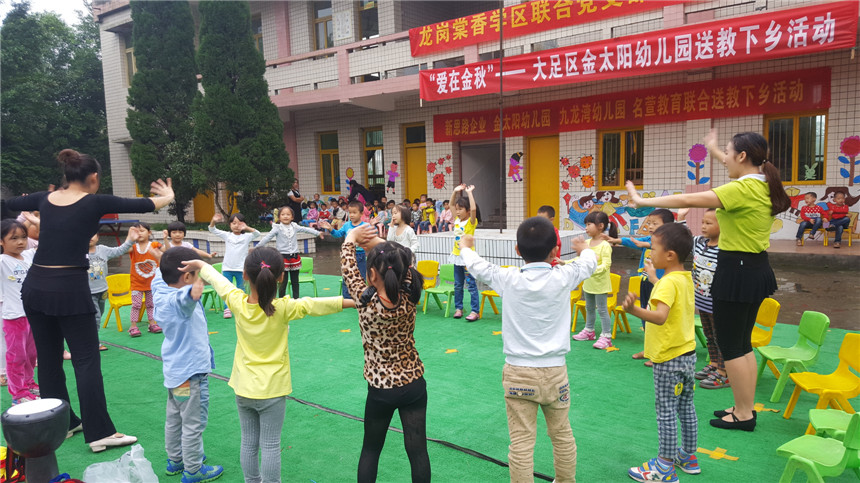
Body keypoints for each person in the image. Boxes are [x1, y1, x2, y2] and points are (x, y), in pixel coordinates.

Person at [0, 148, 174, 452]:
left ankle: (62, 424)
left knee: (49, 359)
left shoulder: (45, 199)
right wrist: (168, 195)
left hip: (36, 287)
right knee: (86, 360)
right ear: (93, 178)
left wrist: (29, 210)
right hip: (69, 287)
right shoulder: (94, 202)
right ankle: (99, 432)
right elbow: (147, 204)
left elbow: (9, 203)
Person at [626, 129, 791, 431]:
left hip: (736, 271)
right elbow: (734, 163)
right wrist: (714, 149)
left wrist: (640, 200)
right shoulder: (763, 182)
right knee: (741, 344)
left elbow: (689, 197)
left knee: (732, 347)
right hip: (754, 268)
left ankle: (744, 414)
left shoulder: (742, 188)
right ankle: (743, 407)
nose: (724, 160)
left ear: (743, 156)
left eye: (728, 154)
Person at [182, 247, 352, 483]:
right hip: (272, 390)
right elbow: (313, 304)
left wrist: (200, 264)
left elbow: (219, 280)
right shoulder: (283, 308)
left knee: (248, 442)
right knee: (270, 445)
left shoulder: (237, 302)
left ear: (244, 275)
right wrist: (353, 302)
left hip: (243, 388)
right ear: (281, 277)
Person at [460, 217, 596, 482]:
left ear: (517, 250)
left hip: (518, 373)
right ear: (555, 251)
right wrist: (584, 249)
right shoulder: (564, 276)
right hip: (555, 372)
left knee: (521, 441)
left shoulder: (508, 278)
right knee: (562, 435)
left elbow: (478, 266)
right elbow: (588, 263)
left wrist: (465, 246)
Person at [340, 224, 429, 483]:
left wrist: (352, 237)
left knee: (371, 449)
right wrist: (379, 245)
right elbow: (404, 258)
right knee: (418, 451)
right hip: (413, 384)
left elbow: (348, 267)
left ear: (371, 275)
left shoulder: (364, 301)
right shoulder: (410, 293)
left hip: (381, 389)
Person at [621, 223, 699, 482]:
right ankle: (688, 456)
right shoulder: (684, 278)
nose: (649, 252)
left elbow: (660, 316)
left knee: (666, 411)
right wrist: (655, 278)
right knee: (686, 406)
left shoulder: (667, 283)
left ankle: (664, 466)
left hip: (668, 358)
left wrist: (634, 310)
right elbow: (670, 295)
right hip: (687, 354)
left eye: (653, 248)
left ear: (670, 255)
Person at [153, 247, 223, 483]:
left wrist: (165, 257)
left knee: (175, 417)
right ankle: (193, 469)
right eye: (196, 274)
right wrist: (193, 291)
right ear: (186, 277)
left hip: (176, 374)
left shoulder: (160, 289)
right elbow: (183, 298)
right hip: (191, 375)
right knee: (193, 423)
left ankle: (176, 460)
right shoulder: (180, 301)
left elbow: (162, 274)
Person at [607, 209, 675, 365]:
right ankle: (649, 349)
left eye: (655, 223)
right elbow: (635, 242)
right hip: (645, 281)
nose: (650, 226)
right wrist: (617, 240)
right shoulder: (649, 238)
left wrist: (646, 244)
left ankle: (659, 352)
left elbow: (651, 244)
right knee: (645, 315)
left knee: (657, 318)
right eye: (649, 223)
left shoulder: (669, 242)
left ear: (667, 226)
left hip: (658, 284)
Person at [679, 208, 729, 389]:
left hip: (718, 303)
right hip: (702, 300)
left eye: (709, 223)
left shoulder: (727, 247)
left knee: (721, 337)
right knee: (709, 335)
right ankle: (714, 364)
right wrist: (681, 217)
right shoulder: (700, 242)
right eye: (702, 222)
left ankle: (724, 372)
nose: (704, 226)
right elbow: (684, 238)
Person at [1, 219, 39, 405]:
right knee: (17, 357)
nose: (20, 242)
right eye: (14, 238)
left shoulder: (30, 255)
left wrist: (31, 218)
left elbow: (48, 234)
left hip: (32, 315)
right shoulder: (2, 261)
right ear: (1, 241)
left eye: (23, 237)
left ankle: (29, 384)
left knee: (31, 355)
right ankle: (18, 393)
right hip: (14, 317)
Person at [571, 211, 618, 349]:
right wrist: (564, 262)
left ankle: (606, 336)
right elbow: (579, 260)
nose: (586, 228)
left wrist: (591, 270)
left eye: (589, 224)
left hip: (600, 285)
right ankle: (589, 331)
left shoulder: (605, 245)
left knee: (602, 310)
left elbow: (606, 265)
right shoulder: (586, 243)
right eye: (585, 224)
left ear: (600, 226)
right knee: (589, 308)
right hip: (588, 283)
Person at [256, 206, 323, 299]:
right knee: (283, 281)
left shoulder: (294, 226)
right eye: (283, 214)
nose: (285, 216)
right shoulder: (277, 228)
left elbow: (305, 229)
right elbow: (267, 237)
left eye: (288, 214)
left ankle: (296, 299)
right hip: (282, 258)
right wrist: (257, 247)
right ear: (279, 217)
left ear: (292, 217)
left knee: (295, 281)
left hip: (294, 257)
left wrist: (318, 233)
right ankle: (282, 300)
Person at [88, 227, 137, 350]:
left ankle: (88, 337)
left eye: (92, 234)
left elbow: (119, 250)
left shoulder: (103, 250)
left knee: (99, 314)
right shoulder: (77, 252)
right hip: (88, 292)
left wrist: (130, 240)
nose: (90, 237)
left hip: (103, 291)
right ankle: (93, 342)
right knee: (95, 317)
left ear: (98, 237)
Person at [208, 213, 261, 318]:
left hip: (241, 269)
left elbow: (257, 233)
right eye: (234, 223)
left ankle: (242, 307)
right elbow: (212, 229)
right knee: (227, 289)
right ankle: (227, 308)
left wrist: (247, 228)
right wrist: (213, 221)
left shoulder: (247, 236)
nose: (236, 226)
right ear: (230, 225)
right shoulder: (227, 235)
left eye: (239, 223)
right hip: (227, 268)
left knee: (241, 289)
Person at [319, 200, 369, 299]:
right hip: (348, 255)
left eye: (354, 212)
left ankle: (361, 297)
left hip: (360, 255)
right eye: (350, 212)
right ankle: (347, 298)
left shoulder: (365, 226)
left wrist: (372, 226)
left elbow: (372, 236)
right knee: (347, 276)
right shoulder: (346, 225)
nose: (352, 215)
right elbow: (338, 234)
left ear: (361, 213)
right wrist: (330, 229)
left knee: (361, 276)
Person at [449, 184, 481, 321]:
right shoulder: (457, 220)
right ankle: (459, 308)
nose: (457, 212)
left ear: (467, 211)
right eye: (457, 209)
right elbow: (451, 204)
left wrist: (469, 193)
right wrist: (455, 191)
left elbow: (473, 209)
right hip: (457, 257)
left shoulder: (471, 222)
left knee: (471, 285)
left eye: (460, 209)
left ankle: (475, 311)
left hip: (467, 258)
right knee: (458, 285)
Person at [127, 222, 163, 338]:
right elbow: (124, 249)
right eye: (137, 232)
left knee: (151, 304)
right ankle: (133, 326)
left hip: (151, 283)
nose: (139, 234)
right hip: (137, 282)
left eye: (142, 231)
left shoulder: (155, 245)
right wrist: (130, 237)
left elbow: (166, 250)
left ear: (149, 232)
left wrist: (165, 239)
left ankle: (152, 324)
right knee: (136, 305)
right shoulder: (133, 247)